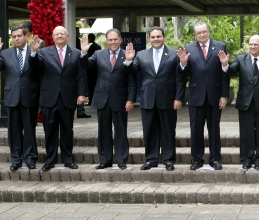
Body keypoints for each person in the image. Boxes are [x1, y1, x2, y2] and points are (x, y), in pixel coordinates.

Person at [125, 27, 185, 171]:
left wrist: (179, 98)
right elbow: (131, 72)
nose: (156, 39)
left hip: (168, 99)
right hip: (148, 99)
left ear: (164, 37)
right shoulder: (141, 54)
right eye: (153, 37)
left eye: (158, 36)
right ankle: (151, 160)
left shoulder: (173, 54)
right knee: (149, 130)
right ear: (149, 39)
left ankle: (169, 160)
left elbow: (180, 78)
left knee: (168, 130)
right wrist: (128, 61)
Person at [29, 26, 87, 171]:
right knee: (50, 131)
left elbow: (81, 76)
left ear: (67, 36)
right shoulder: (43, 52)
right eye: (57, 34)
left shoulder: (76, 53)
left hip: (68, 97)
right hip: (49, 98)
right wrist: (34, 52)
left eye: (62, 33)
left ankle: (68, 159)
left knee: (68, 130)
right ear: (52, 37)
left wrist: (82, 94)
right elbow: (34, 68)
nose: (59, 36)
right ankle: (50, 160)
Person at [219, 35, 259, 170]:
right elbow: (232, 70)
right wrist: (224, 64)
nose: (252, 47)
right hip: (245, 102)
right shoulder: (241, 59)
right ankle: (246, 159)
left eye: (255, 44)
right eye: (251, 44)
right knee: (246, 132)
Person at [80, 28, 136, 170]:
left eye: (115, 39)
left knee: (121, 131)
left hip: (120, 99)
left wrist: (131, 99)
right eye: (110, 39)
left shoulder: (127, 54)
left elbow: (133, 79)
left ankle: (122, 160)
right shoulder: (98, 54)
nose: (113, 42)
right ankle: (105, 160)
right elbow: (85, 65)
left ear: (120, 40)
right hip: (102, 98)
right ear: (106, 41)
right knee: (103, 131)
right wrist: (84, 53)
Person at [177, 21, 229, 170]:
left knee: (214, 130)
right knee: (196, 129)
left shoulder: (220, 47)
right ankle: (197, 159)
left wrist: (224, 95)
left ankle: (215, 159)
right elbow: (181, 74)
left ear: (208, 32)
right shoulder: (188, 48)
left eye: (204, 31)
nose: (202, 34)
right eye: (199, 32)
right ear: (195, 34)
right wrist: (182, 64)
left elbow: (224, 73)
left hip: (214, 95)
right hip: (196, 96)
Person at [0, 26, 39, 170]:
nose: (16, 38)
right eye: (13, 36)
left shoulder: (34, 51)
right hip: (12, 96)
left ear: (25, 36)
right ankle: (16, 159)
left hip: (30, 96)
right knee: (14, 130)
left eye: (19, 36)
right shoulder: (5, 53)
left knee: (29, 129)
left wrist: (34, 52)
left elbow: (38, 69)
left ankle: (30, 158)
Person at [75, 27, 90, 118]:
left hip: (82, 67)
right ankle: (80, 111)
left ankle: (80, 111)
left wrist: (84, 52)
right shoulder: (76, 42)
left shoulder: (79, 42)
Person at [84, 33, 101, 105]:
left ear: (90, 38)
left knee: (91, 85)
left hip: (90, 69)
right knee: (93, 85)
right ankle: (93, 99)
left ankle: (91, 100)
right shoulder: (98, 46)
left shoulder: (90, 46)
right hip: (95, 69)